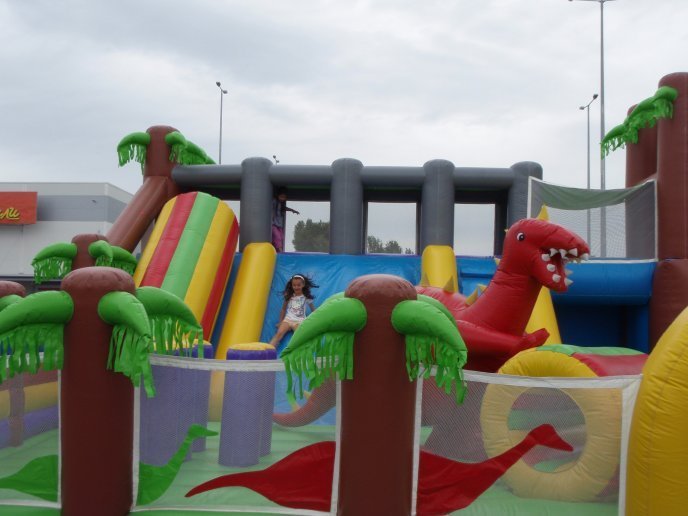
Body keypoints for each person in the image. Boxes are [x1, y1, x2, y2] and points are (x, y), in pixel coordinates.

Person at [269, 273, 317, 347]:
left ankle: (301, 351)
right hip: (288, 319)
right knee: (279, 333)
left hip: (299, 321)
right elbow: (283, 309)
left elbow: (313, 310)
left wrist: (316, 320)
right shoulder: (289, 295)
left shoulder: (306, 297)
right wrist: (280, 322)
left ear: (303, 285)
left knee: (299, 337)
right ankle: (269, 349)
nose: (296, 287)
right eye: (294, 285)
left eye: (298, 285)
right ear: (291, 285)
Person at [272, 187, 299, 252]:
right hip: (273, 223)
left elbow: (284, 208)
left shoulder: (281, 204)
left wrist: (292, 210)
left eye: (284, 197)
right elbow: (271, 209)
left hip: (279, 224)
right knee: (277, 237)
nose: (282, 199)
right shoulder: (274, 201)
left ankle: (277, 250)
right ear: (278, 196)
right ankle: (280, 251)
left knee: (281, 237)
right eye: (281, 197)